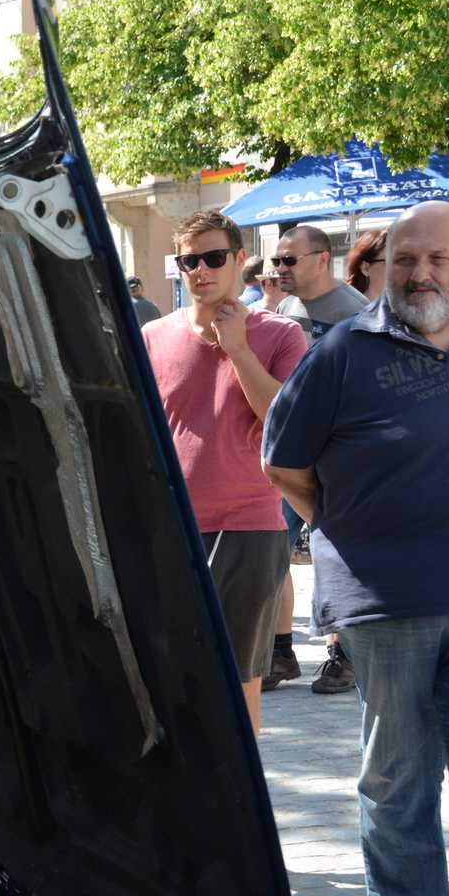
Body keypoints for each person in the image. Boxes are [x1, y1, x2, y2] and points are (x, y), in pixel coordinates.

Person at [263, 200, 449, 896]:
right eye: (407, 260)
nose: (423, 273)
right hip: (386, 600)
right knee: (400, 769)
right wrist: (349, 527)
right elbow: (283, 462)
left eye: (440, 259)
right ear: (386, 267)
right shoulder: (344, 351)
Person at [142, 210, 305, 734]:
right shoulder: (152, 336)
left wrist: (236, 347)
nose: (200, 270)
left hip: (248, 528)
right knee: (169, 680)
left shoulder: (281, 334)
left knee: (238, 689)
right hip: (168, 530)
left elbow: (285, 420)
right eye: (188, 261)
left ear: (239, 260)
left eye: (213, 258)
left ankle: (243, 811)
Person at [272, 225, 368, 343]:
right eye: (276, 261)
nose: (280, 269)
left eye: (289, 260)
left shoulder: (355, 310)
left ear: (321, 260)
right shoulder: (284, 307)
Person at [345, 229, 387, 301]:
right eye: (389, 263)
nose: (397, 269)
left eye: (402, 260)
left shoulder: (407, 308)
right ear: (365, 268)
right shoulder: (351, 309)